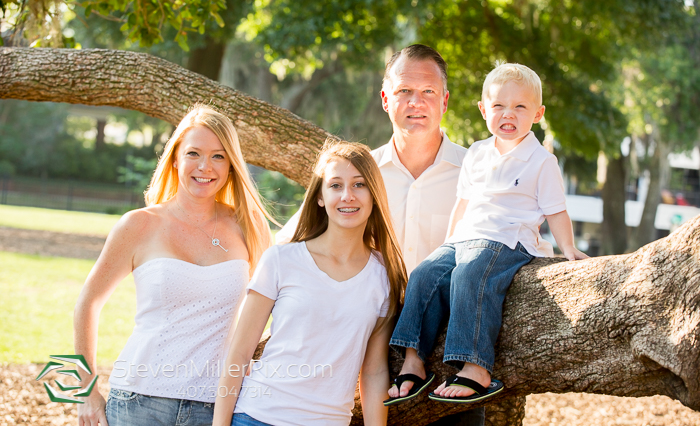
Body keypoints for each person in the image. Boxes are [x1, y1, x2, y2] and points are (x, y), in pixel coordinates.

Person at [277, 44, 484, 424]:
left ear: (445, 101)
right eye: (404, 91)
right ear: (386, 98)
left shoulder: (478, 173)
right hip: (359, 350)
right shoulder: (358, 177)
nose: (415, 102)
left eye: (428, 93)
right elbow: (292, 246)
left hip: (448, 352)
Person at [386, 62, 588, 406]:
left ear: (537, 114)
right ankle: (413, 360)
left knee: (470, 274)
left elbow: (556, 210)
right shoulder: (477, 153)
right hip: (464, 238)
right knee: (424, 274)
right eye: (498, 106)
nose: (508, 114)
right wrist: (445, 245)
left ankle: (475, 367)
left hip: (507, 239)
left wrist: (568, 248)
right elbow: (462, 205)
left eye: (520, 107)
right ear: (483, 110)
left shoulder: (541, 161)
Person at [73, 104, 273, 426]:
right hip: (139, 402)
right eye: (194, 153)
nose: (205, 166)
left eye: (219, 156)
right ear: (176, 157)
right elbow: (88, 303)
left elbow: (267, 308)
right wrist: (86, 389)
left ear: (232, 165)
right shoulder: (138, 225)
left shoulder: (249, 227)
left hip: (217, 405)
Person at [212, 140, 407, 426]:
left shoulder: (383, 276)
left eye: (359, 185)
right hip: (258, 416)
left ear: (375, 194)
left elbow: (374, 370)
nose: (347, 196)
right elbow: (239, 352)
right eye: (336, 185)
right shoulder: (281, 259)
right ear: (319, 197)